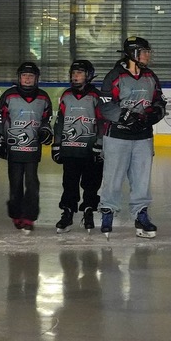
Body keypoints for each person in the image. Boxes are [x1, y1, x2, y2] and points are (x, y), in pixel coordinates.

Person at [97, 35, 165, 239]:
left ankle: (141, 214)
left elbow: (159, 100)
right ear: (133, 54)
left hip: (143, 137)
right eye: (144, 52)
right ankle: (108, 212)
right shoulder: (115, 76)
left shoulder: (150, 76)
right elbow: (105, 105)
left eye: (148, 52)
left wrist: (155, 113)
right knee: (113, 178)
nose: (147, 55)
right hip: (117, 137)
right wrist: (124, 116)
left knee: (141, 179)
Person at [0, 61, 52, 232]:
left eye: (31, 76)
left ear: (36, 78)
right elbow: (0, 120)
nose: (27, 79)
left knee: (32, 183)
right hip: (13, 149)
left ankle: (29, 216)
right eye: (24, 76)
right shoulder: (9, 95)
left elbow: (46, 120)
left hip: (33, 149)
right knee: (16, 183)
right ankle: (16, 213)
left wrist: (45, 131)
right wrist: (0, 141)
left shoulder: (43, 97)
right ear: (19, 78)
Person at [52, 59, 105, 234]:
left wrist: (99, 144)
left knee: (91, 183)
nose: (75, 76)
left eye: (79, 73)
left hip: (91, 150)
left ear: (88, 76)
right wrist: (57, 144)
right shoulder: (66, 95)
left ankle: (88, 210)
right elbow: (60, 121)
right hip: (70, 149)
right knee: (69, 183)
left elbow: (102, 122)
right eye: (73, 73)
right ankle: (67, 212)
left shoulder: (96, 96)